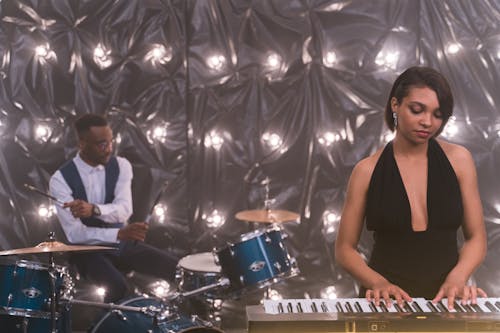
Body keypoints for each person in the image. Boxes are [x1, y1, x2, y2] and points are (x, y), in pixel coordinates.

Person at [335, 66, 487, 310]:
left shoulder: (460, 160)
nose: (427, 122)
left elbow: (476, 237)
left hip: (446, 299)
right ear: (395, 105)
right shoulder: (366, 171)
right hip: (385, 302)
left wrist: (458, 278)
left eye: (438, 114)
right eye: (417, 110)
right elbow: (344, 249)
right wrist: (377, 282)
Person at [49, 113, 178, 303]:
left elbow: (124, 210)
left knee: (177, 268)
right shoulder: (60, 180)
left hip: (121, 243)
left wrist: (94, 210)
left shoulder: (122, 165)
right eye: (102, 144)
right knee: (117, 287)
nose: (109, 149)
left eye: (111, 142)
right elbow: (75, 234)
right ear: (82, 144)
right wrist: (118, 234)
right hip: (87, 252)